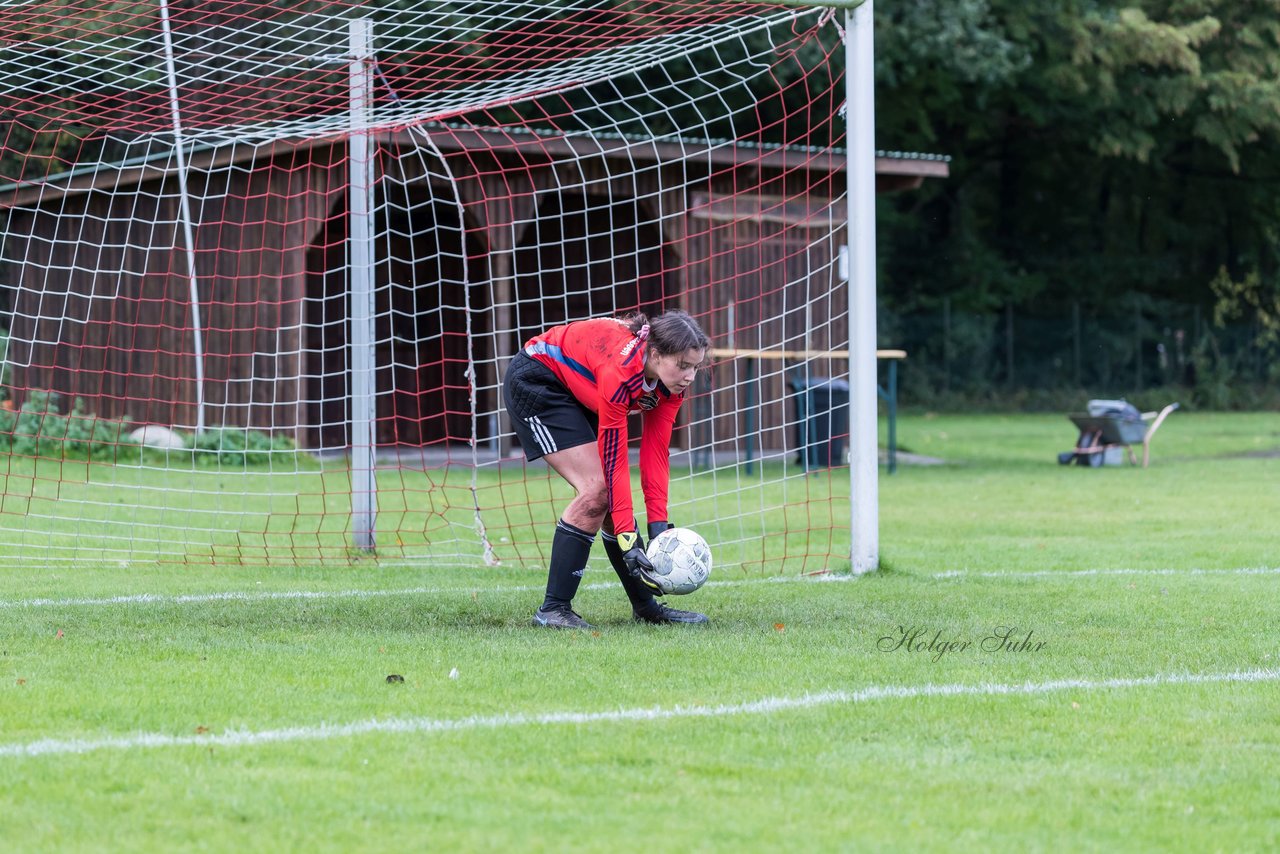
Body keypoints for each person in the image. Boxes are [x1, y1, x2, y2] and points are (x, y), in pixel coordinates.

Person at [502, 309, 711, 629]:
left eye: (695, 367)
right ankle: (553, 610)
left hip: (580, 390)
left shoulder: (671, 385)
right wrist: (628, 536)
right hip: (539, 380)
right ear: (654, 353)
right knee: (598, 490)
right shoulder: (621, 371)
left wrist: (659, 528)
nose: (689, 376)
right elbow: (616, 459)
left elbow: (656, 453)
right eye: (683, 366)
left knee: (612, 503)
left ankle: (646, 607)